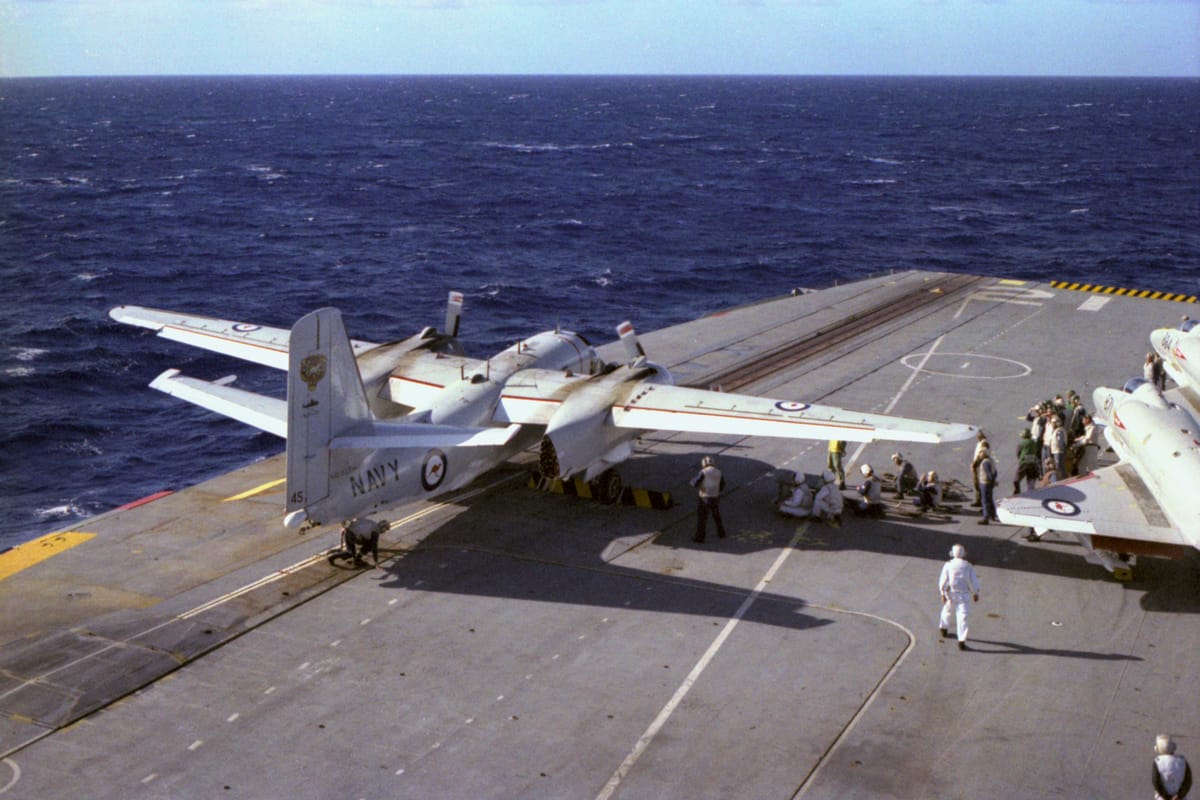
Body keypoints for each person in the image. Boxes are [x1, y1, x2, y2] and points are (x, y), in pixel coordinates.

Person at [938, 544, 981, 651]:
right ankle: (961, 640)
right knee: (963, 617)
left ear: (952, 553)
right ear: (963, 553)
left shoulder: (948, 565)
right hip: (964, 595)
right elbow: (974, 581)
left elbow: (943, 580)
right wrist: (975, 593)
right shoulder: (968, 566)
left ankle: (943, 628)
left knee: (947, 611)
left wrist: (942, 593)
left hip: (951, 593)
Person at [690, 455, 727, 542]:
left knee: (702, 518)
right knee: (717, 516)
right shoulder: (719, 472)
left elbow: (694, 483)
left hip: (705, 498)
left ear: (704, 463)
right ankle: (721, 533)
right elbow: (722, 484)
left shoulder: (703, 472)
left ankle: (700, 537)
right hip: (715, 497)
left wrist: (692, 481)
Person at [1153, 734, 1192, 800]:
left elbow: (1156, 782)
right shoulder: (1182, 761)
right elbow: (1188, 781)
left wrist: (1166, 796)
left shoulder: (1157, 762)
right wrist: (1179, 796)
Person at [976, 445, 998, 524]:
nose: (979, 454)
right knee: (990, 499)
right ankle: (993, 514)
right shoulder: (990, 460)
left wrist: (992, 480)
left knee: (984, 501)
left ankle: (985, 517)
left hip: (985, 483)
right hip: (989, 484)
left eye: (980, 452)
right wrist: (994, 481)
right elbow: (995, 472)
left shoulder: (985, 462)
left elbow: (989, 474)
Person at [1014, 428, 1040, 494]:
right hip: (1032, 462)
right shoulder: (1034, 443)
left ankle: (1017, 491)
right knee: (1031, 478)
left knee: (1016, 479)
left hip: (1024, 462)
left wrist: (1020, 459)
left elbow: (1018, 453)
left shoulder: (1021, 443)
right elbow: (1037, 451)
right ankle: (1031, 491)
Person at [970, 431, 989, 507]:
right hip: (979, 466)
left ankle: (983, 503)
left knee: (979, 484)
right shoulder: (982, 442)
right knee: (977, 485)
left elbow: (981, 455)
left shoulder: (983, 443)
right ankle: (979, 500)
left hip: (979, 467)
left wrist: (974, 465)